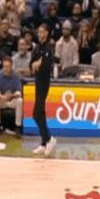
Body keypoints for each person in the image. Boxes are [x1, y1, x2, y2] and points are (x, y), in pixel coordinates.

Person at [30, 24, 57, 157]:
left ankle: (49, 139)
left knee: (36, 113)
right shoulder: (36, 48)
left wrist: (38, 65)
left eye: (42, 32)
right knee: (40, 113)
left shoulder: (48, 48)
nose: (40, 34)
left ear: (46, 33)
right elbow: (31, 64)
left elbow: (46, 66)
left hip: (44, 82)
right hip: (37, 81)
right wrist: (35, 65)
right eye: (39, 32)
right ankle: (44, 142)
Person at [0, 57, 23, 137]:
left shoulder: (16, 75)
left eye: (7, 67)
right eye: (4, 66)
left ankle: (18, 127)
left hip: (12, 100)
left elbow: (19, 92)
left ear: (11, 66)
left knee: (19, 100)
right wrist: (1, 96)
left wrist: (11, 95)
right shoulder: (0, 74)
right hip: (3, 100)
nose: (5, 69)